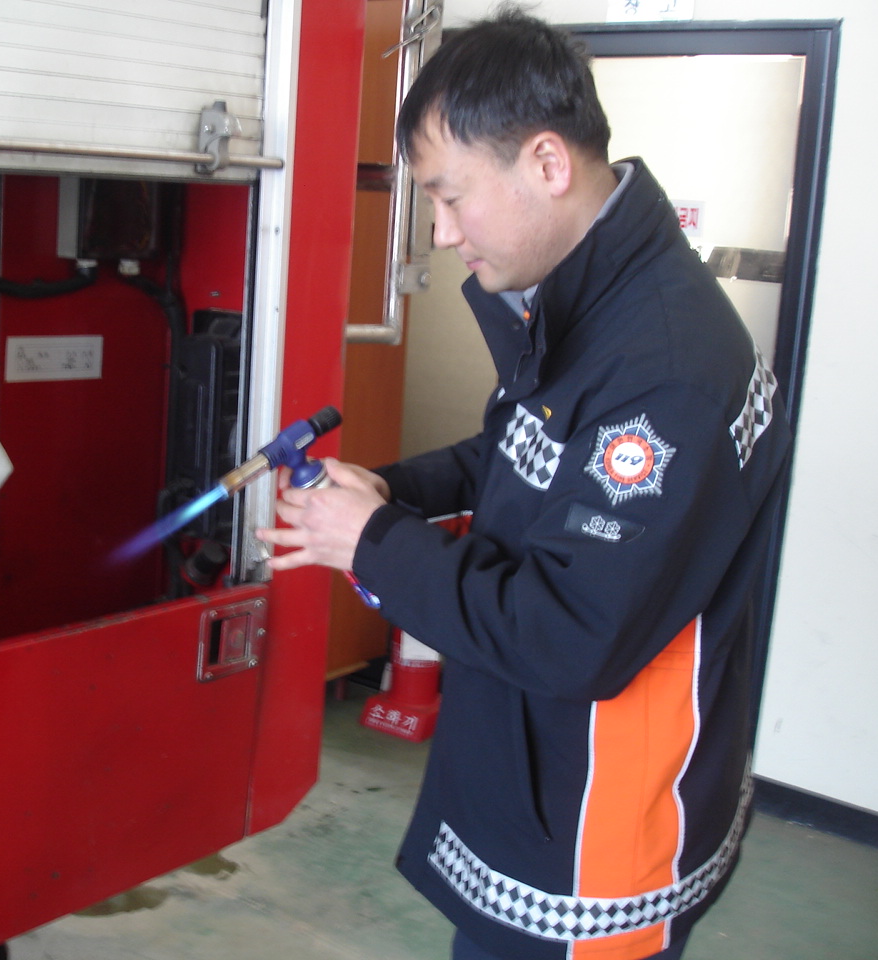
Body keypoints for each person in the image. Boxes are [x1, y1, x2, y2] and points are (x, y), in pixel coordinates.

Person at [256, 6, 793, 960]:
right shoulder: (598, 298)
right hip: (541, 781)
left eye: (451, 197)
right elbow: (513, 458)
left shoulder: (665, 370)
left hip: (596, 833)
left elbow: (568, 634)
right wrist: (383, 492)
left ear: (546, 162)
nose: (441, 232)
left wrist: (371, 543)